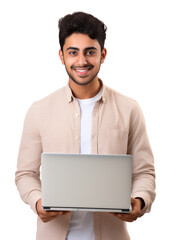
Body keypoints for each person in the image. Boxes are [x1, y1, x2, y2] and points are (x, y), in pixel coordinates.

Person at [15, 12, 156, 240]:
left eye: (90, 52)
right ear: (62, 56)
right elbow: (25, 173)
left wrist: (139, 200)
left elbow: (144, 172)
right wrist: (37, 201)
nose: (81, 61)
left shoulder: (129, 109)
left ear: (103, 54)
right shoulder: (39, 111)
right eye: (73, 52)